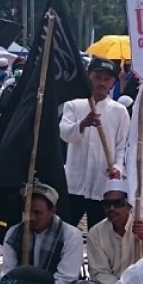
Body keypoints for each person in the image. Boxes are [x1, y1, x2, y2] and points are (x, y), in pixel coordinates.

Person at [72, 179, 143, 284]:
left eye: (118, 203)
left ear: (129, 206)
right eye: (107, 204)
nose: (112, 209)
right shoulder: (96, 233)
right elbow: (99, 272)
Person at [60, 57, 130, 228]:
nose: (101, 83)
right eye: (97, 77)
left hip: (102, 184)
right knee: (65, 230)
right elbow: (64, 134)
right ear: (89, 77)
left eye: (106, 79)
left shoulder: (119, 111)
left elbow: (122, 146)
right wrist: (83, 124)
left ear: (113, 82)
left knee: (99, 234)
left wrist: (118, 168)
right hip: (75, 183)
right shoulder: (73, 105)